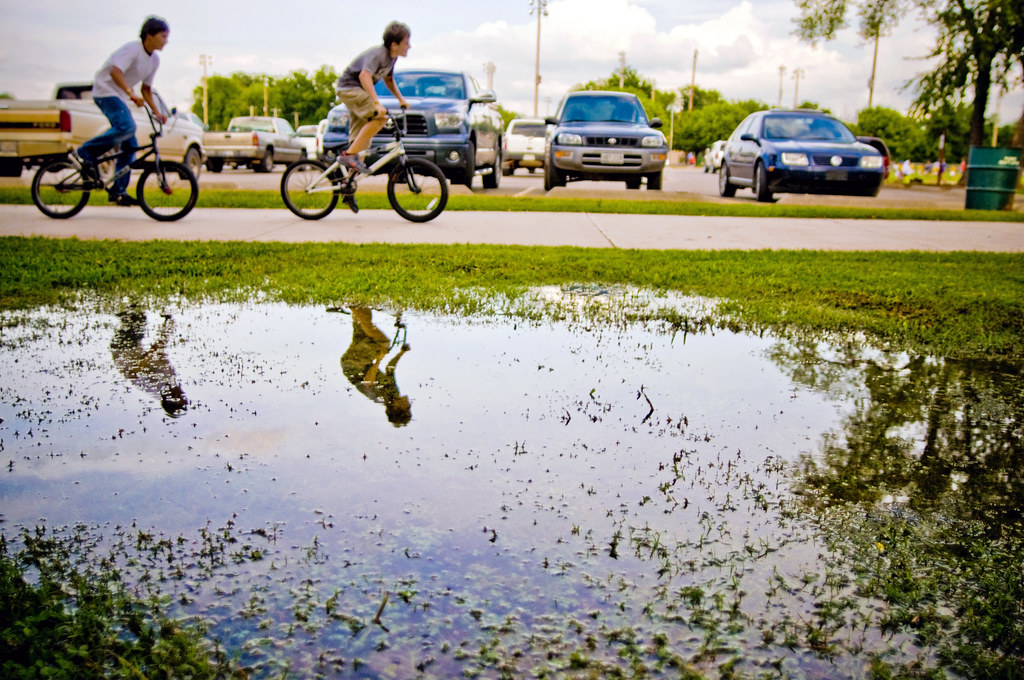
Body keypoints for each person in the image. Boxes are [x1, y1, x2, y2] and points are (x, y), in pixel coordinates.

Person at [72, 16, 170, 207]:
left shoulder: (154, 60)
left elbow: (146, 90)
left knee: (131, 146)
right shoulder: (133, 49)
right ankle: (84, 153)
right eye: (163, 36)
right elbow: (115, 72)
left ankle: (118, 191)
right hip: (105, 92)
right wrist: (130, 93)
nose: (166, 40)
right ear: (149, 35)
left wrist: (157, 112)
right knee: (126, 126)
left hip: (120, 95)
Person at [334, 21, 411, 175]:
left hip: (357, 91)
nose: (409, 46)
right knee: (380, 117)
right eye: (406, 43)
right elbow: (364, 75)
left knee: (361, 144)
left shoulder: (391, 58)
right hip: (349, 88)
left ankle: (347, 187)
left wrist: (400, 99)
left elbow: (389, 79)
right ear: (394, 44)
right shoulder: (378, 54)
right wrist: (376, 103)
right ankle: (348, 156)